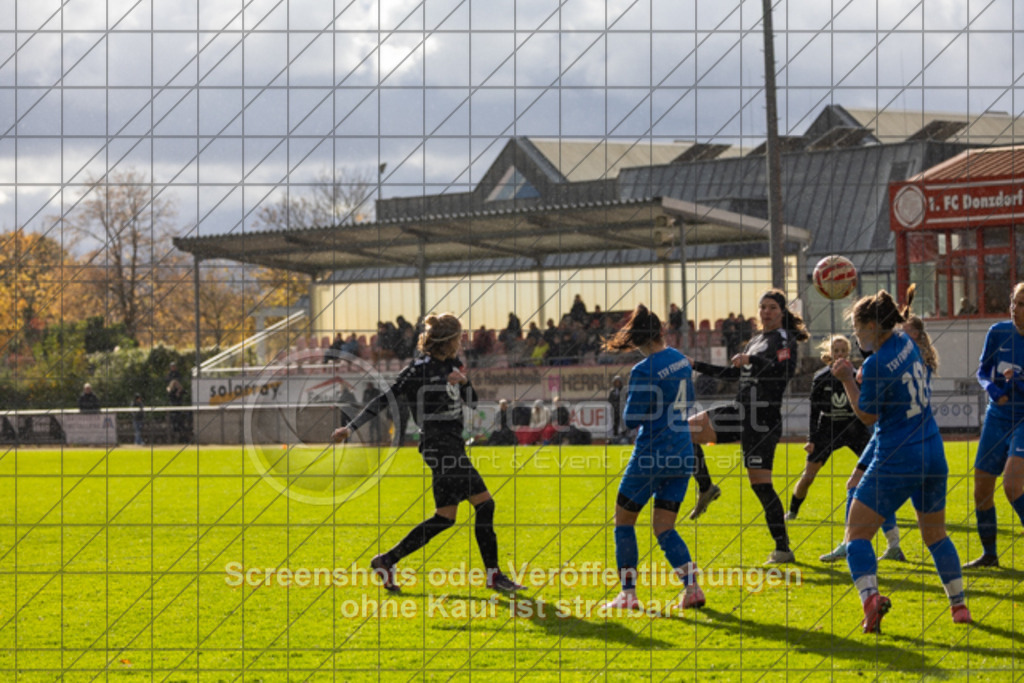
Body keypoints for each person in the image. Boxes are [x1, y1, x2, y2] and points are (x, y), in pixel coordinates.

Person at [331, 313, 523, 594]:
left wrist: (464, 382)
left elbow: (472, 402)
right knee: (485, 505)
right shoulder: (418, 369)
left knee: (445, 517)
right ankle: (494, 576)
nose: (461, 344)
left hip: (450, 444)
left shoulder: (452, 364)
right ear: (449, 340)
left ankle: (386, 560)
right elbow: (385, 399)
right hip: (439, 445)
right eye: (458, 339)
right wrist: (350, 427)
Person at [831, 289, 971, 632]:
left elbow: (867, 415)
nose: (855, 334)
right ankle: (960, 606)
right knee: (936, 535)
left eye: (858, 327)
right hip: (932, 452)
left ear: (874, 326)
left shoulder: (877, 363)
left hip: (897, 456)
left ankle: (871, 601)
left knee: (857, 536)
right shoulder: (907, 343)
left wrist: (849, 379)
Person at [686, 289, 808, 564]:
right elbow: (733, 373)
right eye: (762, 307)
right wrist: (696, 365)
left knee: (760, 485)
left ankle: (783, 549)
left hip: (762, 418)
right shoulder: (756, 339)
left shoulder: (784, 339)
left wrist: (752, 360)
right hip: (740, 410)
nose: (766, 312)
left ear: (782, 312)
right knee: (686, 431)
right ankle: (706, 487)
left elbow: (784, 372)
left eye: (772, 308)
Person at [599, 304, 705, 612]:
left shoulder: (643, 369)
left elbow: (632, 419)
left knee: (623, 521)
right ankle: (692, 588)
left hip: (651, 454)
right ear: (660, 331)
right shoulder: (681, 360)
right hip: (682, 451)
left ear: (637, 339)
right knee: (664, 527)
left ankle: (628, 594)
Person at [964, 282, 1024, 568]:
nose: (1016, 309)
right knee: (981, 490)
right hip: (997, 417)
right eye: (1014, 303)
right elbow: (983, 371)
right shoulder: (998, 332)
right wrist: (993, 390)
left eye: (1022, 304)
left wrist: (1019, 383)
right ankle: (989, 555)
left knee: (1012, 485)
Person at [787, 335, 871, 521]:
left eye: (843, 351)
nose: (840, 354)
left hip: (854, 428)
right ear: (830, 353)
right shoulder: (821, 378)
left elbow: (866, 405)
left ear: (848, 353)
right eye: (836, 351)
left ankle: (880, 511)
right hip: (828, 429)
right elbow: (814, 410)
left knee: (875, 469)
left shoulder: (857, 375)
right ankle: (792, 511)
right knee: (808, 476)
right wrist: (811, 439)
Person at [608, 375, 624, 441]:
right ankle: (615, 435)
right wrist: (614, 404)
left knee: (623, 423)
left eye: (618, 382)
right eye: (616, 382)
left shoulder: (623, 390)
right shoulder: (612, 391)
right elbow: (609, 399)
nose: (617, 383)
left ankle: (624, 435)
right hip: (615, 410)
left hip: (622, 409)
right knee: (615, 422)